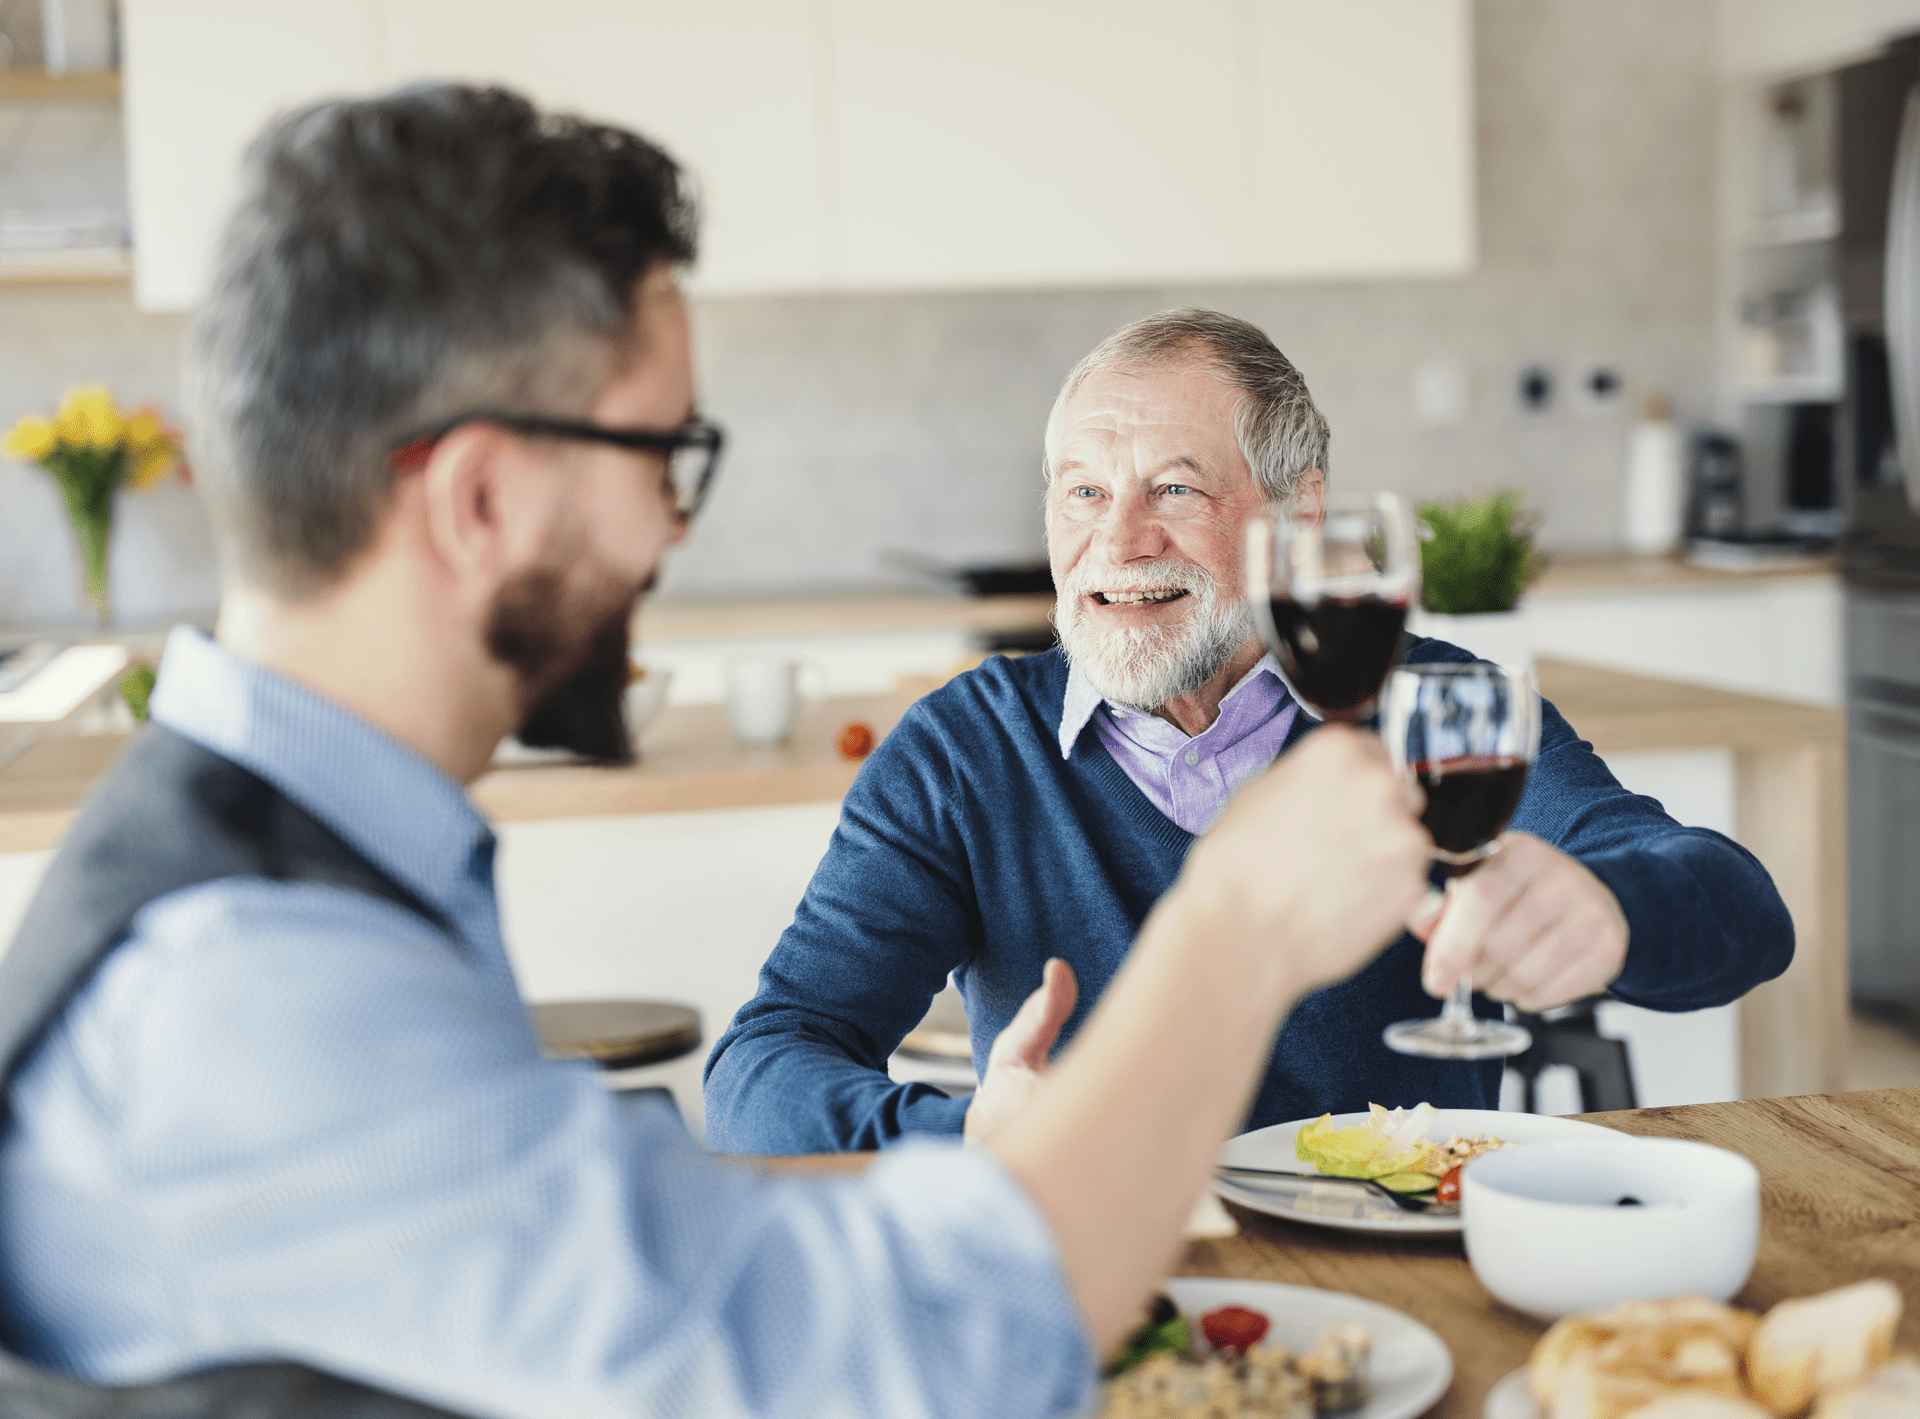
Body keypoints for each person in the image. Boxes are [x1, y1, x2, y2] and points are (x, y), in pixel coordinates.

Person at [0, 88, 1437, 1419]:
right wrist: (1237, 928)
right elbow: (904, 1353)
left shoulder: (300, 871)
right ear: (481, 498)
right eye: (661, 456)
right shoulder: (256, 983)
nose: (673, 533)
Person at [702, 308, 1797, 1156]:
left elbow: (1740, 906)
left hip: (1400, 1266)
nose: (1118, 542)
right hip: (1109, 1281)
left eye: (1173, 490)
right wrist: (963, 1135)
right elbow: (763, 1069)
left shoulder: (1430, 705)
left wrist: (1610, 911)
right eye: (1082, 493)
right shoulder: (965, 750)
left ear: (1300, 515)